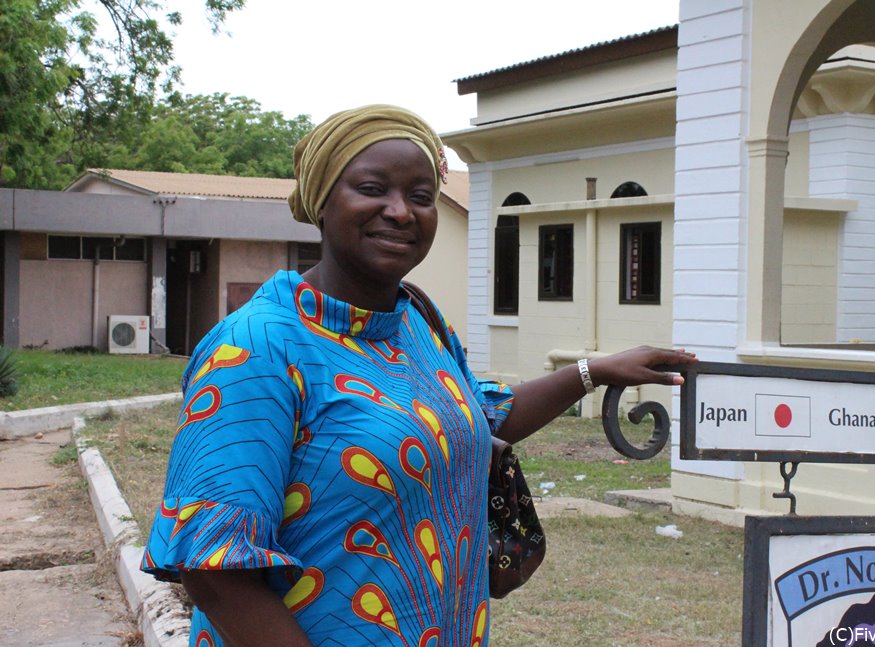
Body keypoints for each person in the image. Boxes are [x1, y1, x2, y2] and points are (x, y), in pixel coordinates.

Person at [140, 104, 696, 646]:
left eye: (421, 197)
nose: (401, 211)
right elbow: (215, 569)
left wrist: (592, 371)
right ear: (322, 202)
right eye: (372, 188)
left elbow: (480, 416)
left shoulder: (417, 322)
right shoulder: (257, 347)